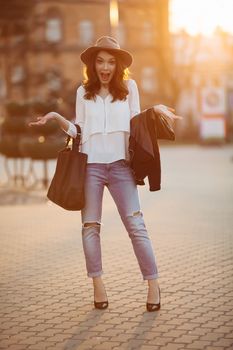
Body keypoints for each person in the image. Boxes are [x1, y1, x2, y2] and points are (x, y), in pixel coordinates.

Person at [29, 36, 181, 312]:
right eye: (100, 61)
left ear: (119, 65)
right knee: (90, 228)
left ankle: (153, 284)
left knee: (136, 227)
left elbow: (135, 123)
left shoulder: (129, 88)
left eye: (111, 62)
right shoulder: (82, 93)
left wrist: (153, 111)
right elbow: (79, 130)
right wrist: (56, 117)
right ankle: (98, 285)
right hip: (92, 168)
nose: (105, 67)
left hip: (122, 167)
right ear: (92, 64)